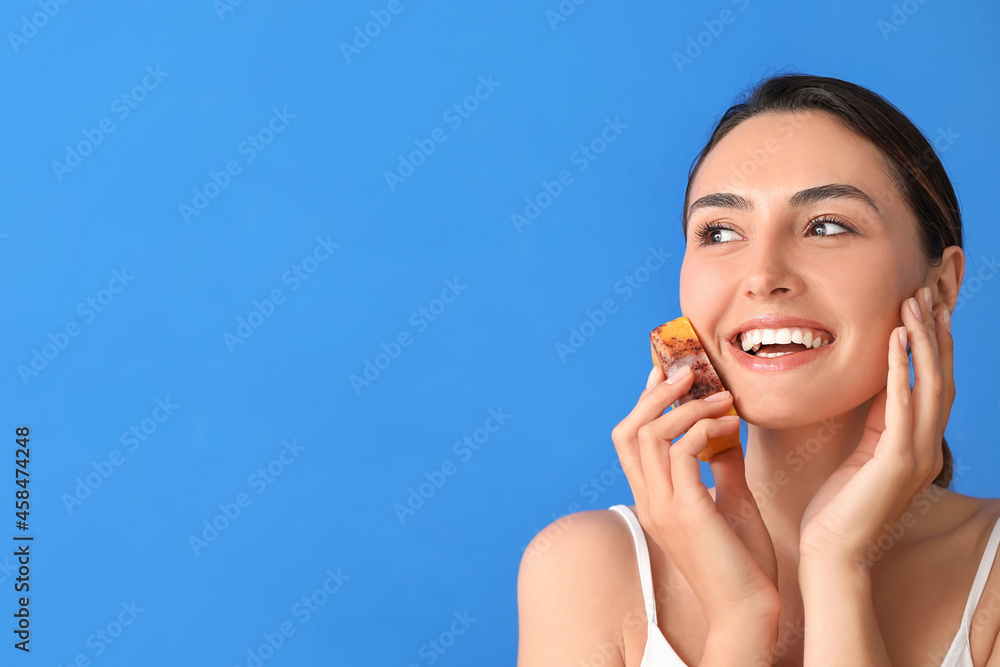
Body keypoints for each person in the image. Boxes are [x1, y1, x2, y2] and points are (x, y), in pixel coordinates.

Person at [516, 73, 1000, 666]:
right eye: (719, 232)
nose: (762, 273)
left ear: (940, 286)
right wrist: (740, 619)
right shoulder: (584, 567)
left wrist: (836, 566)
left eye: (826, 225)